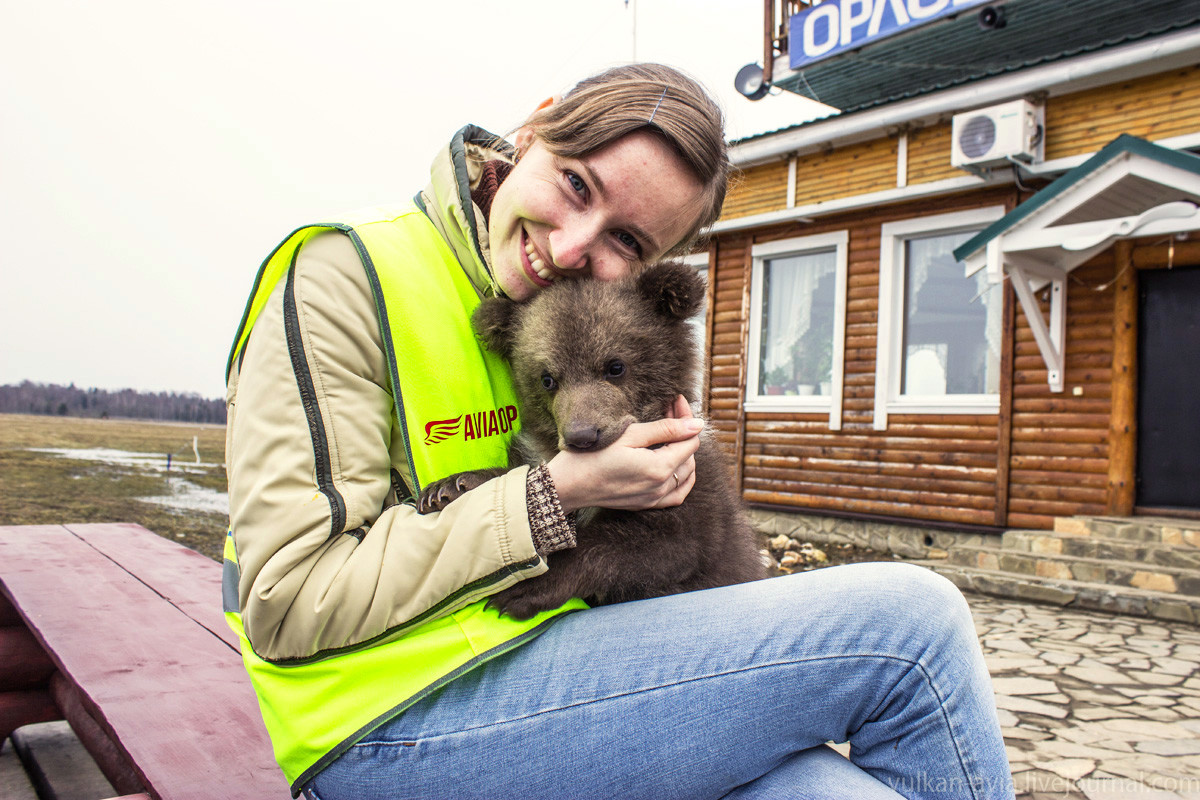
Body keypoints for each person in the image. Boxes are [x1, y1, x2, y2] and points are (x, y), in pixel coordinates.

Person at [223, 63, 1014, 800]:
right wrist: (553, 495)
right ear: (532, 132)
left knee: (828, 790)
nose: (572, 247)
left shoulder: (561, 310)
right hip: (387, 723)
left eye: (627, 242)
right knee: (914, 623)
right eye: (574, 184)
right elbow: (288, 602)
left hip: (572, 668)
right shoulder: (344, 277)